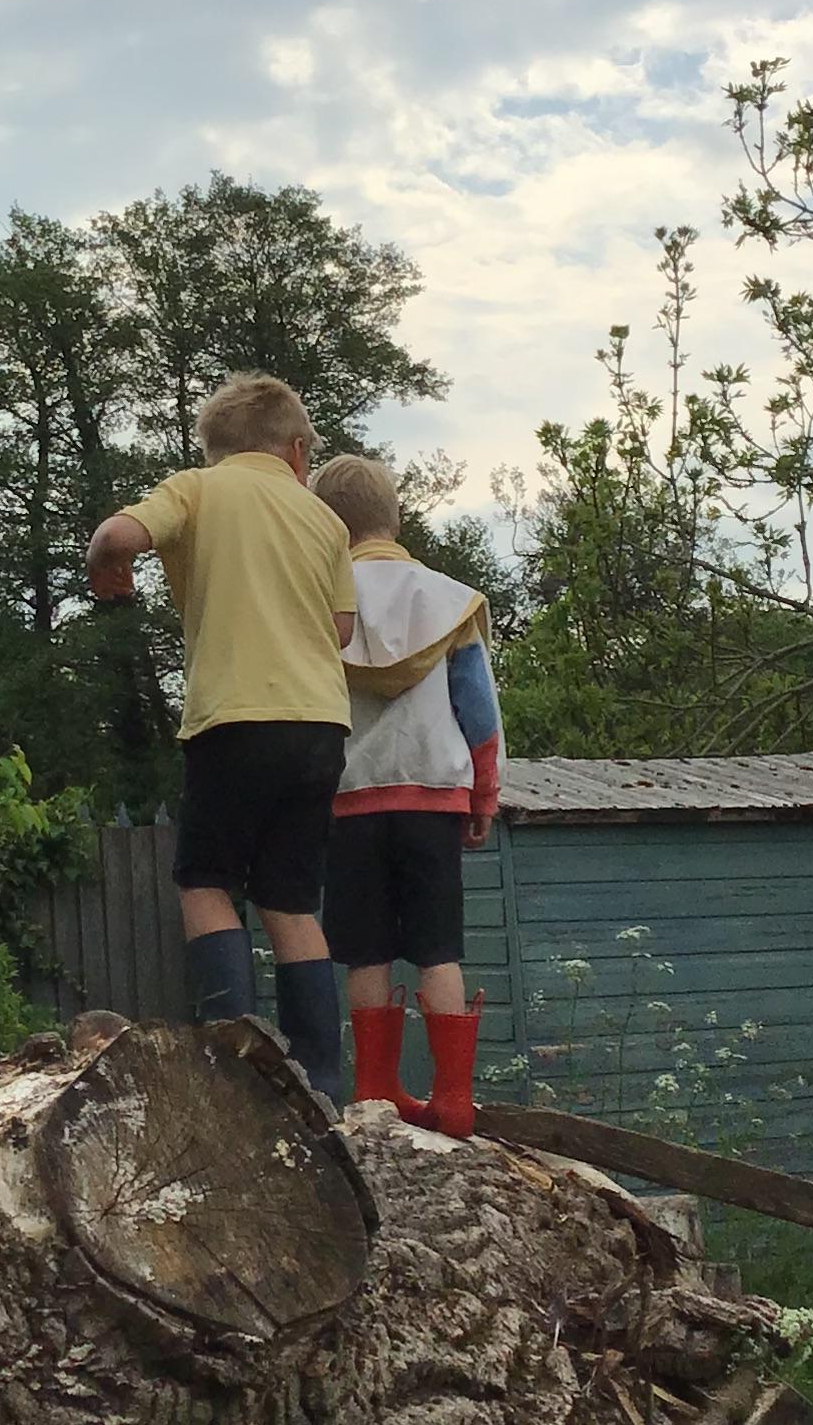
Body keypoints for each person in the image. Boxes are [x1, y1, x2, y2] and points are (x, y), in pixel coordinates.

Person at [85, 375, 357, 1097]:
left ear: (217, 449)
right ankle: (321, 1083)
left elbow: (117, 535)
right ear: (296, 451)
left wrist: (106, 567)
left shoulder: (198, 489)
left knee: (207, 884)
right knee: (291, 903)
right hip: (320, 726)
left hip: (233, 719)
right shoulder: (324, 518)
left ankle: (230, 1072)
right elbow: (340, 630)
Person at [309, 453, 503, 1136]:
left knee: (366, 951)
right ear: (394, 517)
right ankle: (453, 1098)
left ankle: (374, 1090)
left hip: (351, 800)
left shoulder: (319, 606)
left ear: (328, 527)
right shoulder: (448, 601)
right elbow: (478, 712)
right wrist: (484, 797)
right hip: (433, 800)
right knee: (438, 949)